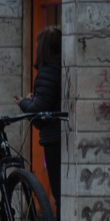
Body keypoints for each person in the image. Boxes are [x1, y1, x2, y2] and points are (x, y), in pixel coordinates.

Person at [20, 26, 64, 204]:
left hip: (54, 139)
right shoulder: (62, 69)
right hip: (63, 137)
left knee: (59, 193)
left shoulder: (47, 72)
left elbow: (39, 115)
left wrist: (23, 102)